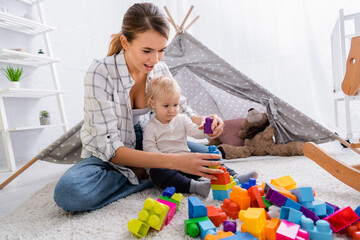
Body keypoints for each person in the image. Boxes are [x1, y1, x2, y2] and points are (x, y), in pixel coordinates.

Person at [143, 76, 258, 197]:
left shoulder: (182, 119)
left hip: (190, 164)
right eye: (166, 106)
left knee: (210, 158)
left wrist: (207, 130)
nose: (172, 110)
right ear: (153, 103)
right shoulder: (151, 126)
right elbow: (149, 150)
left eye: (175, 105)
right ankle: (194, 186)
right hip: (169, 167)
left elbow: (195, 132)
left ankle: (233, 176)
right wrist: (168, 160)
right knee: (156, 173)